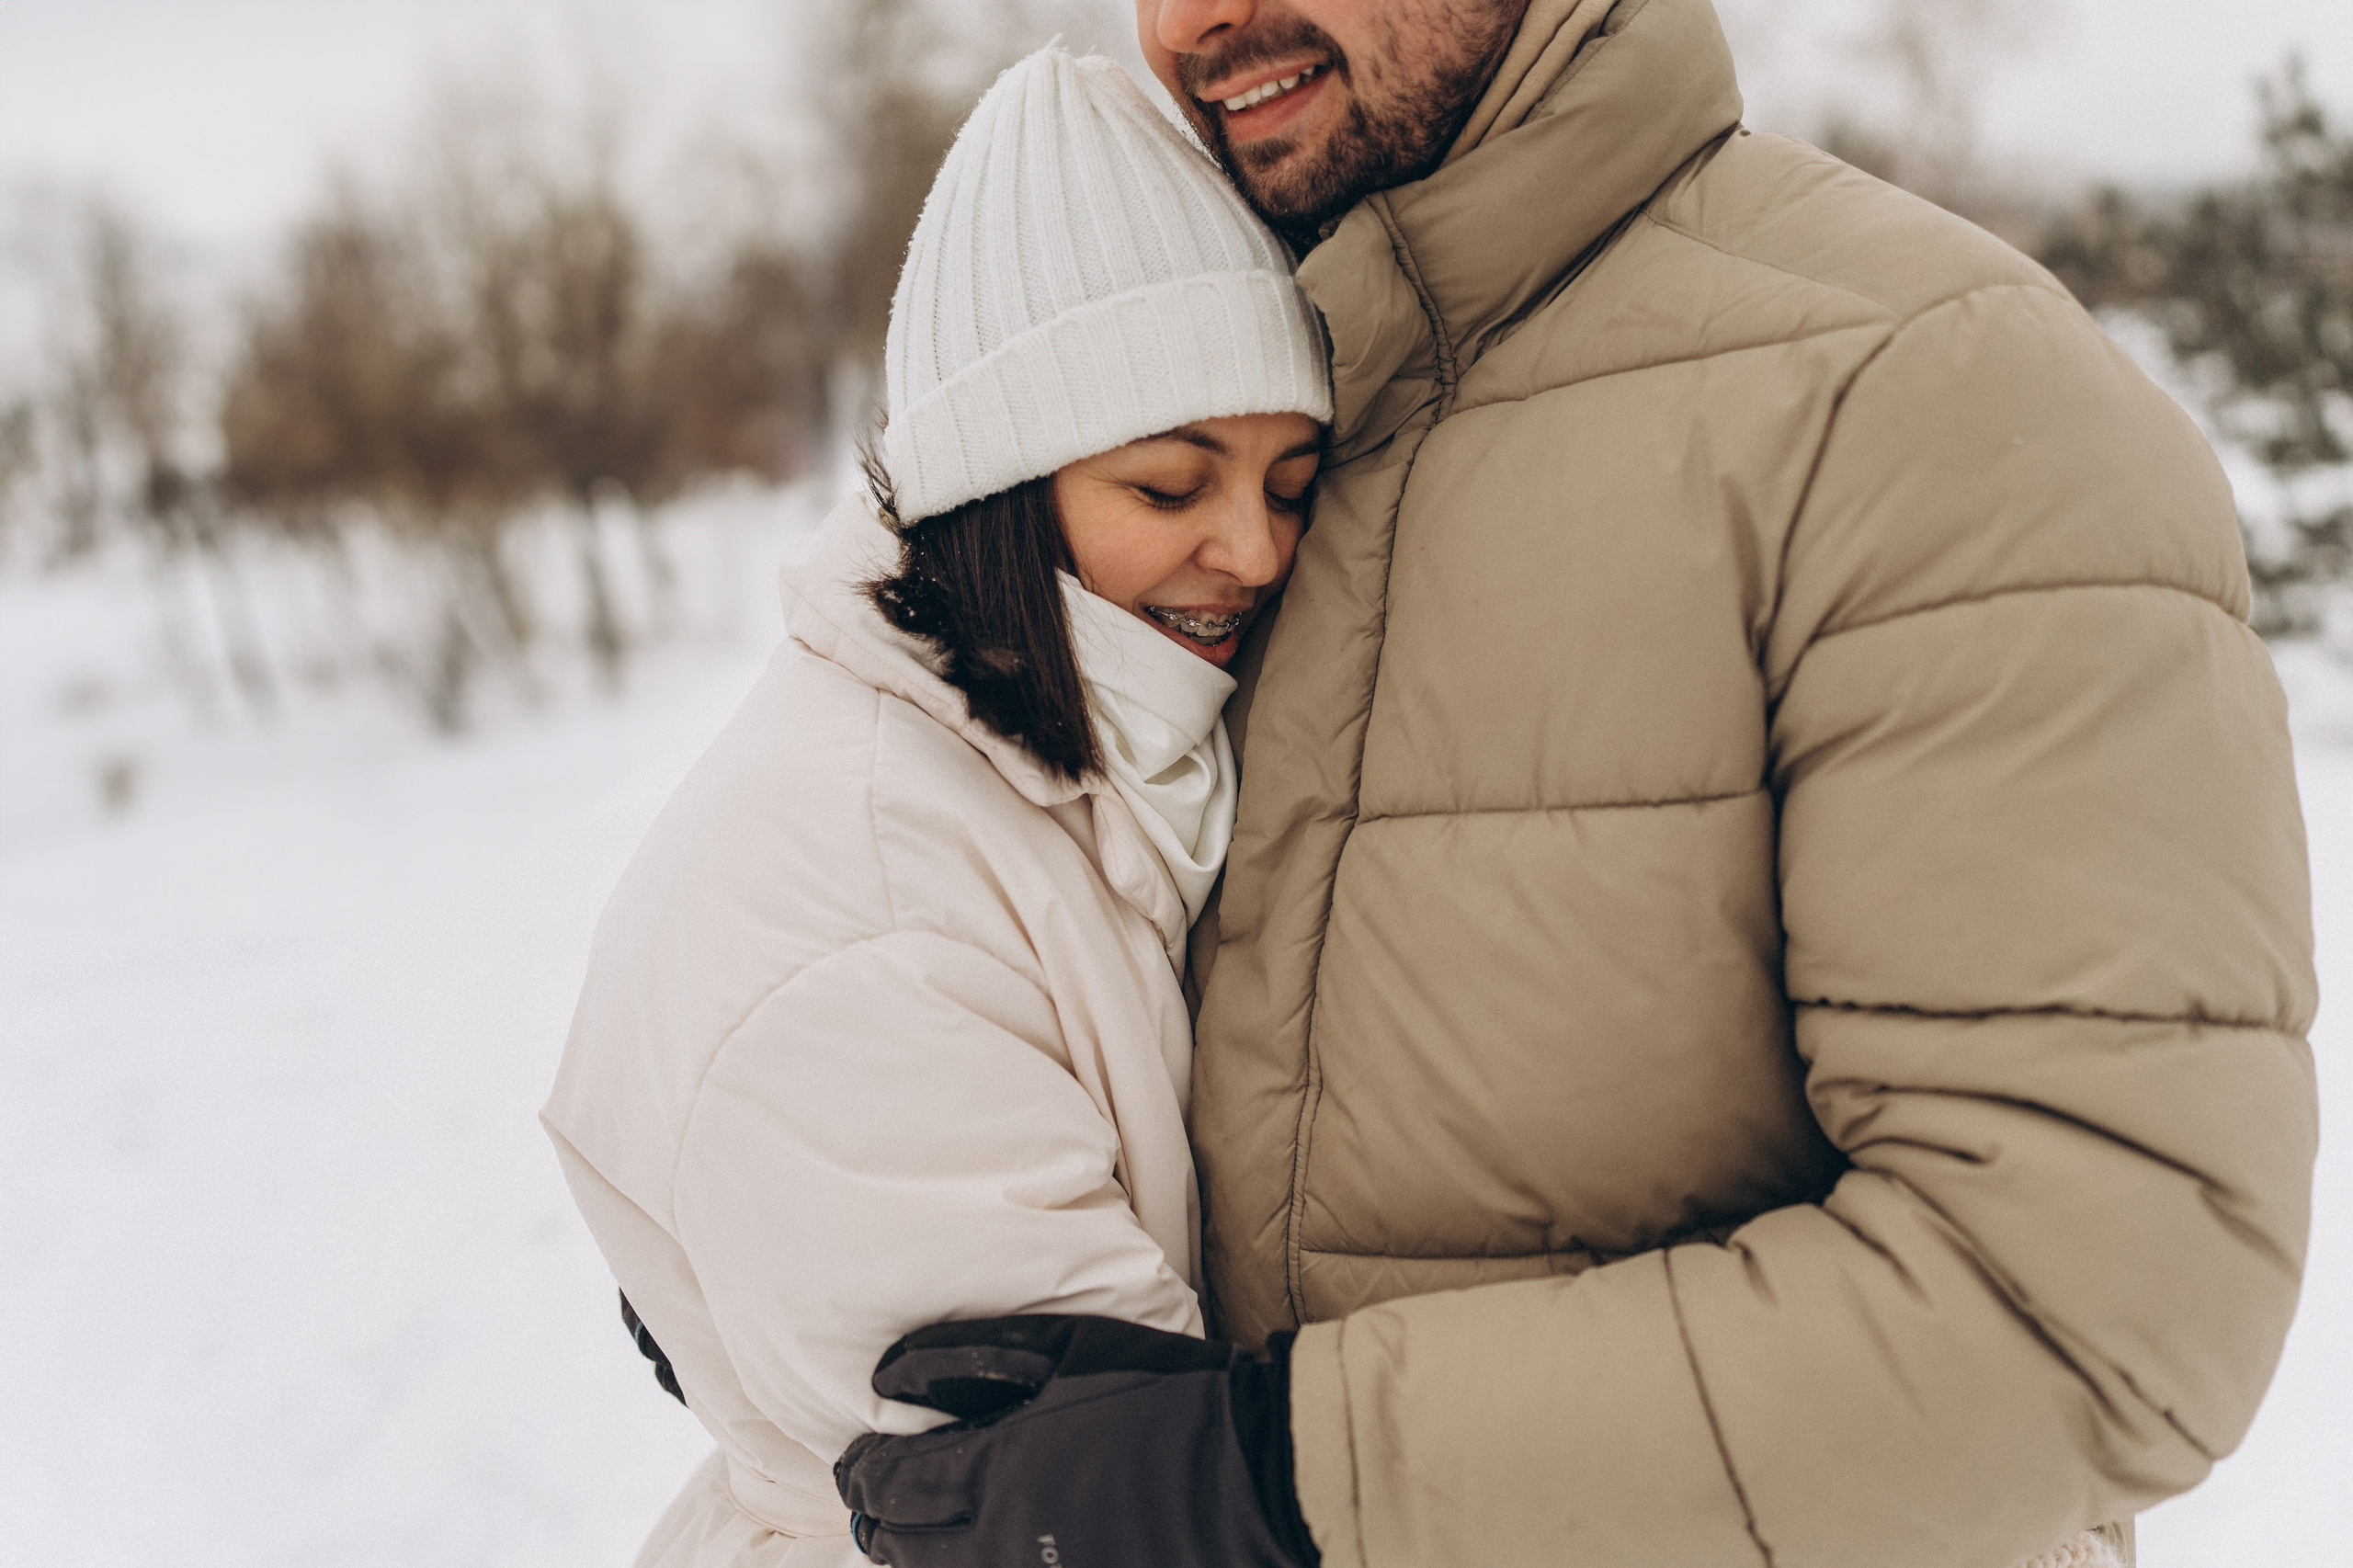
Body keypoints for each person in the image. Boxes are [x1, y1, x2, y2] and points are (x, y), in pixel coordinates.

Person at [831, 3, 2322, 1567]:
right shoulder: (1232, 416)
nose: (1197, 15)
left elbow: (2087, 1313)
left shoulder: (1928, 399)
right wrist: (786, 1208)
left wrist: (1278, 1475)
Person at [541, 46, 1331, 1568]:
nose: (1255, 548)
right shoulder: (873, 925)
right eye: (1172, 488)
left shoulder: (1090, 748)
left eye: (1291, 482)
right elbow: (1126, 1521)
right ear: (1002, 489)